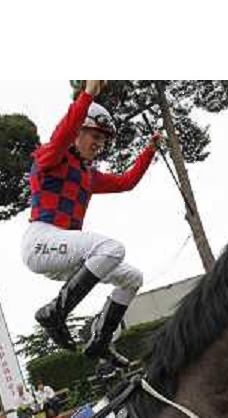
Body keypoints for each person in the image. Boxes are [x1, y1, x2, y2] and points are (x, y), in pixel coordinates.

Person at [21, 80, 162, 376]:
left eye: (104, 139)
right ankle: (54, 313)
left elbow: (126, 183)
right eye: (94, 135)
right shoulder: (51, 156)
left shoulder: (87, 175)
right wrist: (88, 94)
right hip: (41, 241)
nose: (99, 143)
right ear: (77, 133)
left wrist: (149, 150)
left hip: (66, 257)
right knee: (112, 248)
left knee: (132, 278)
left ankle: (100, 340)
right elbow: (64, 132)